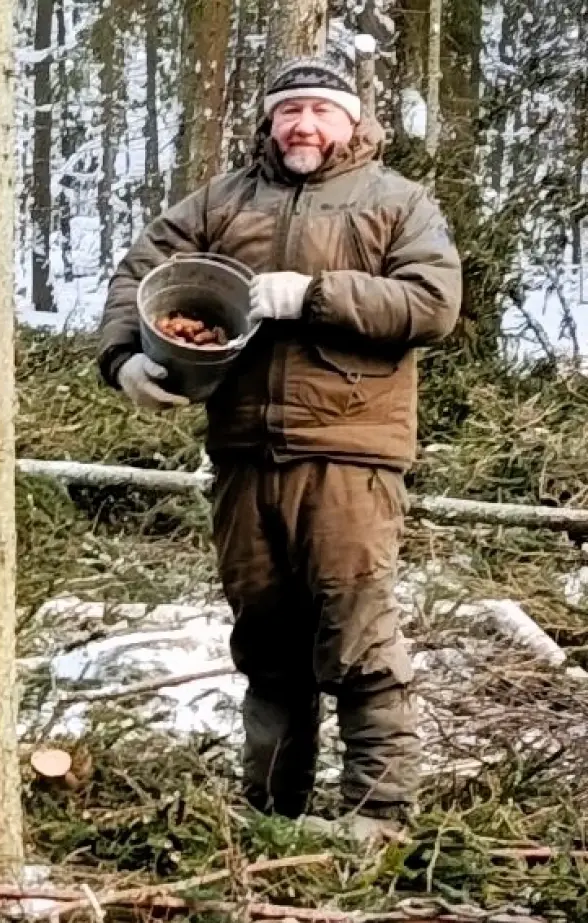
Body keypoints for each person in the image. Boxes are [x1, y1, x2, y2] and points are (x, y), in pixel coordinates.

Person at [97, 58, 462, 841]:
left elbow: (433, 303)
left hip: (350, 452)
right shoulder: (223, 202)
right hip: (241, 452)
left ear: (353, 122)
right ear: (269, 121)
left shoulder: (397, 202)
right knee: (265, 639)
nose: (303, 124)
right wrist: (125, 355)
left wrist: (315, 293)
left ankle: (380, 817)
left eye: (320, 111)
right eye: (289, 110)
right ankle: (272, 810)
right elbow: (141, 270)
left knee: (355, 629)